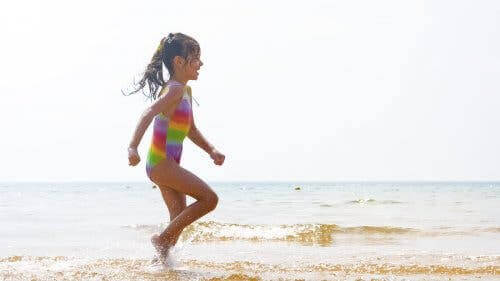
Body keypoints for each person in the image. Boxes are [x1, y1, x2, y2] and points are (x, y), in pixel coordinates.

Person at [124, 32, 225, 262]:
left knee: (178, 217)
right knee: (210, 199)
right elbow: (149, 112)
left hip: (163, 164)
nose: (201, 63)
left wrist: (211, 150)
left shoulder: (185, 91)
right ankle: (161, 240)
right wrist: (132, 146)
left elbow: (190, 129)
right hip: (161, 163)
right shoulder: (175, 89)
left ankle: (160, 263)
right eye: (196, 58)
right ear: (179, 62)